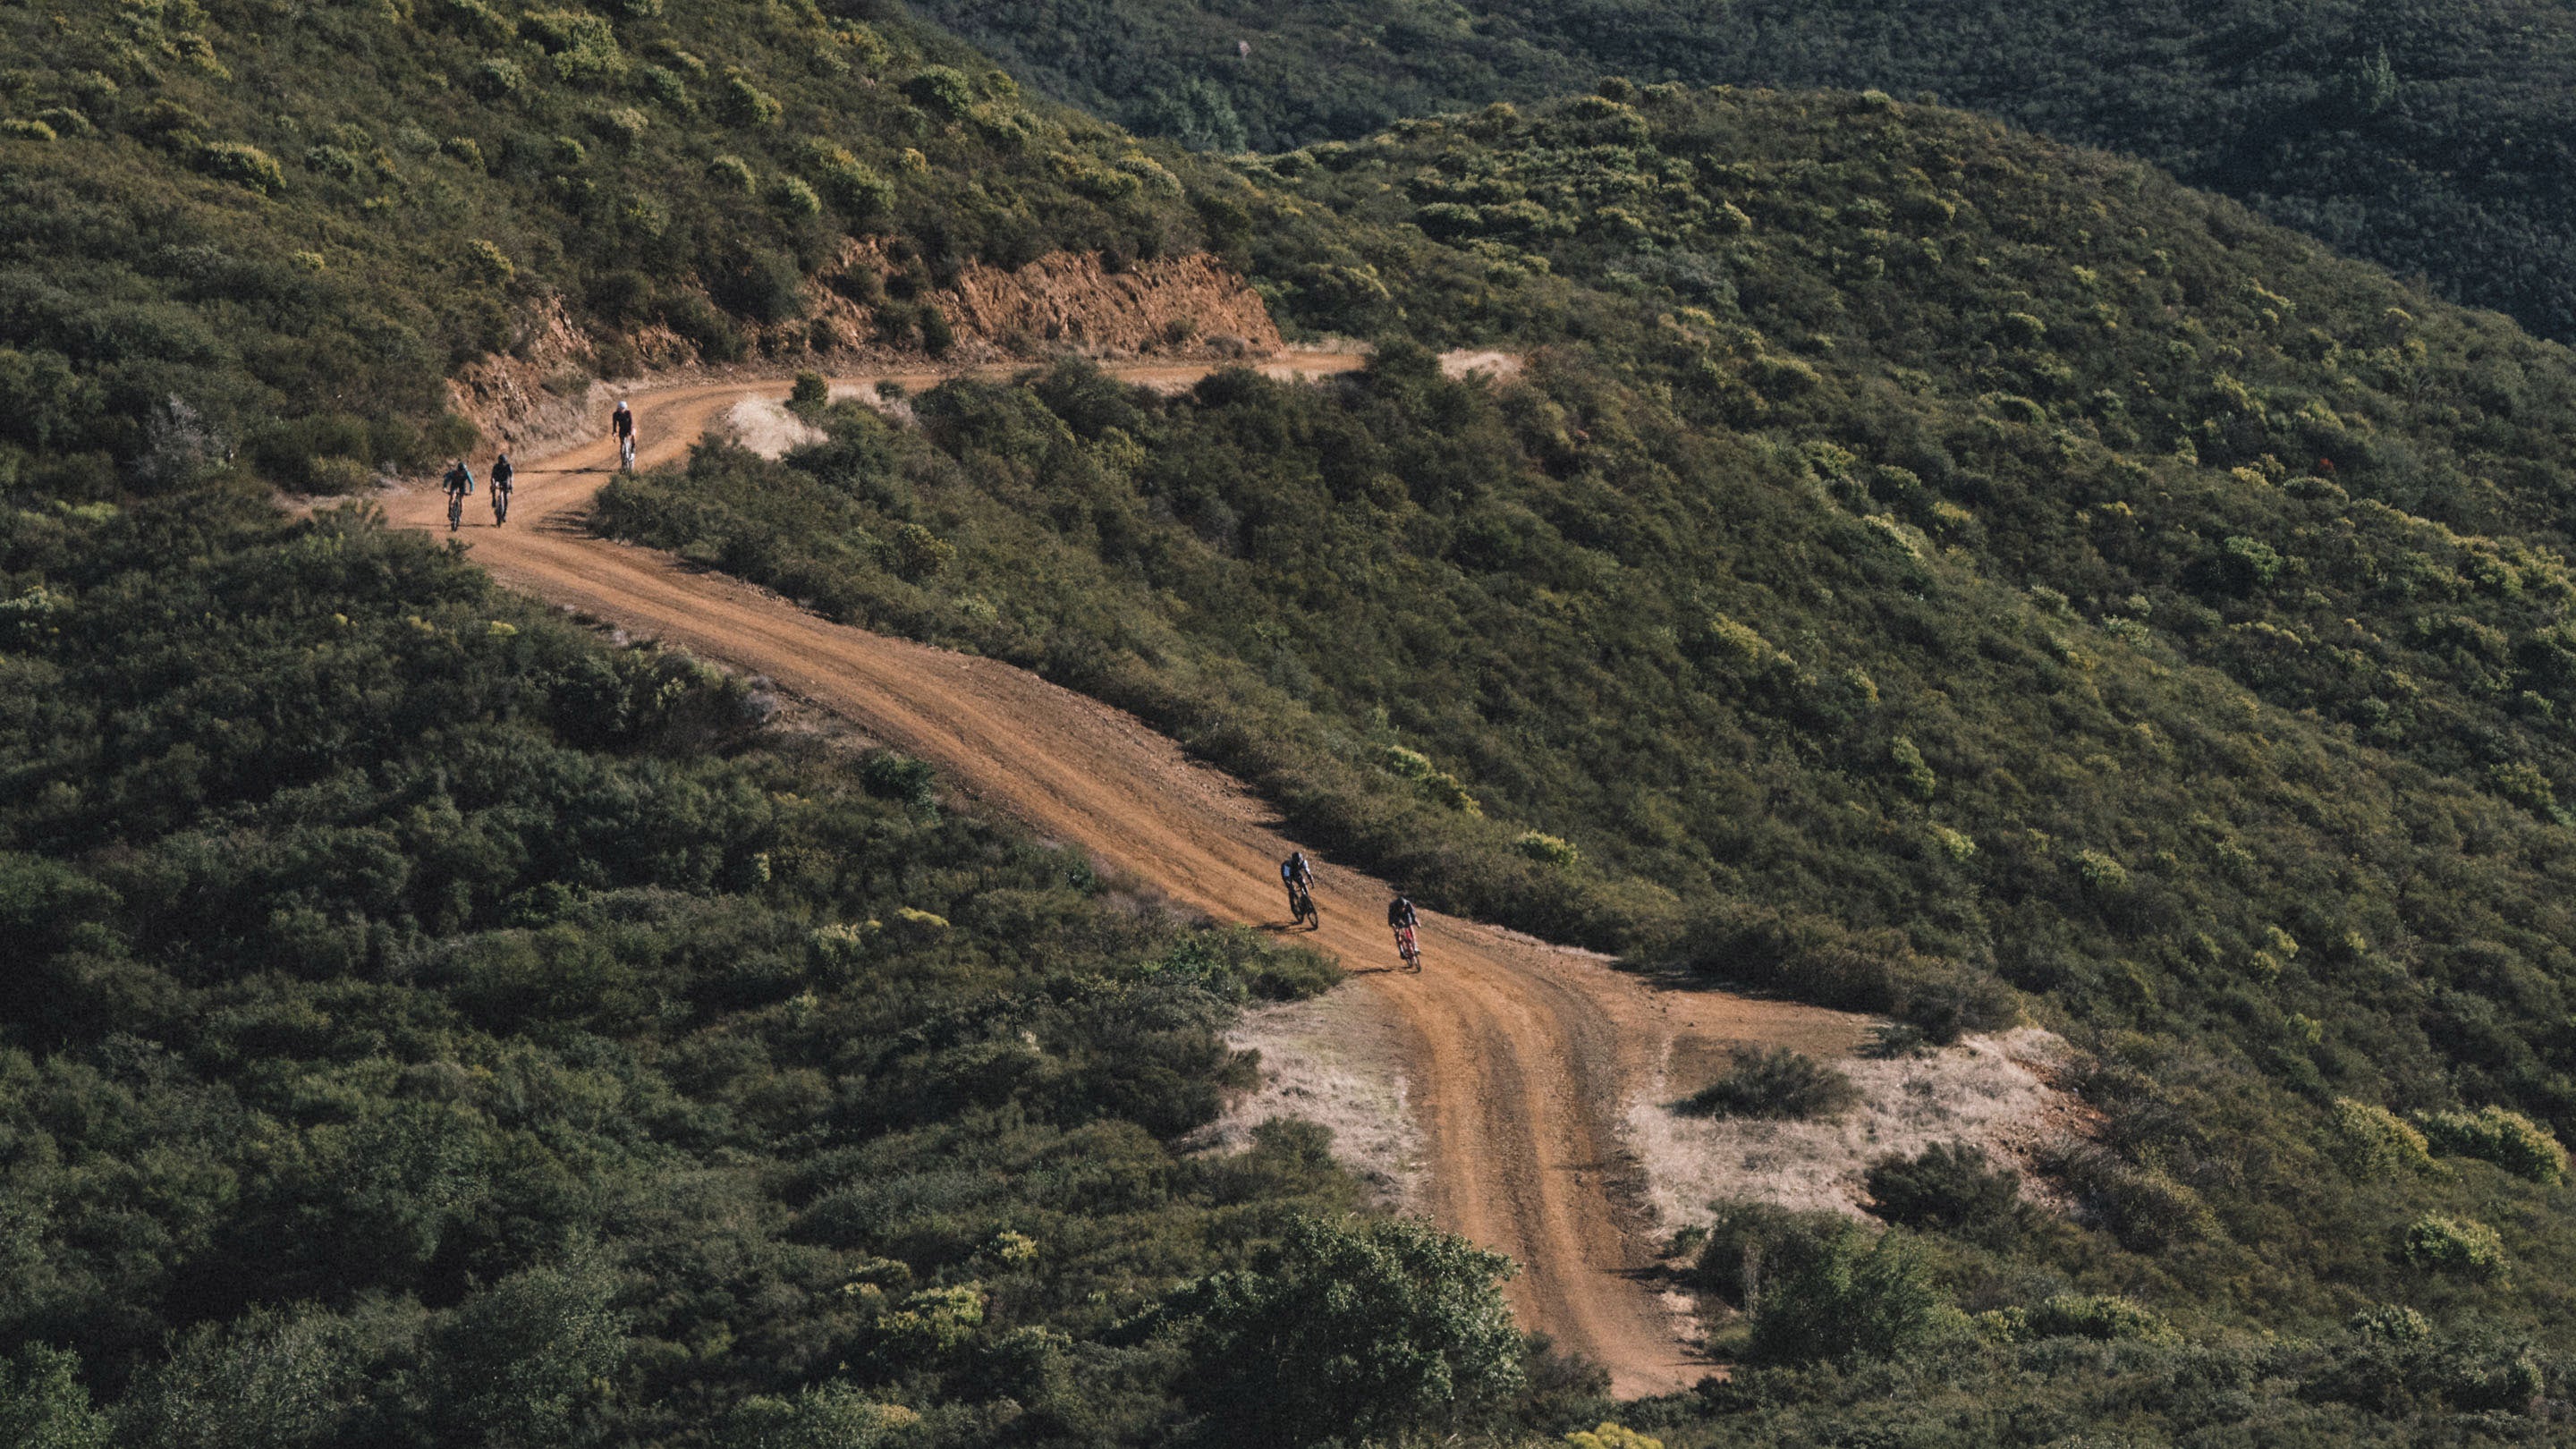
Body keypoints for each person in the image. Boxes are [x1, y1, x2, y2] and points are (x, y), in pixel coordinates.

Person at [1280, 850, 1316, 924]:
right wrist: (1290, 886)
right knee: (1292, 889)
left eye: (1299, 862)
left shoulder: (1304, 863)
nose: (1298, 863)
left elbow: (1308, 873)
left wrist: (1312, 882)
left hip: (1296, 873)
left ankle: (1305, 901)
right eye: (1296, 862)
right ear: (1293, 861)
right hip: (1288, 874)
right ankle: (1294, 905)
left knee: (1303, 885)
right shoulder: (1287, 865)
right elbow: (1286, 878)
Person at [441, 457, 475, 531]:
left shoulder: (467, 473)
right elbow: (446, 480)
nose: (462, 473)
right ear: (458, 470)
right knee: (453, 497)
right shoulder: (453, 473)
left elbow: (471, 482)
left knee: (461, 500)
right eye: (461, 472)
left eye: (463, 472)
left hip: (462, 485)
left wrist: (471, 491)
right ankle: (450, 511)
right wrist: (444, 488)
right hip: (454, 485)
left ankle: (459, 515)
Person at [1387, 893, 1421, 968]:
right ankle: (1402, 951)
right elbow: (1390, 921)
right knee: (1397, 933)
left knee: (1410, 928)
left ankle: (1415, 946)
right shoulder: (1392, 906)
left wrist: (1417, 922)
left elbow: (1414, 916)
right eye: (1401, 907)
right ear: (1398, 906)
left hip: (1406, 915)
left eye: (1404, 907)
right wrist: (1394, 928)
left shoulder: (1408, 905)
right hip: (1395, 916)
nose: (1403, 908)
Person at [490, 447, 514, 525]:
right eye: (500, 462)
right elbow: (492, 477)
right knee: (493, 486)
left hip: (504, 481)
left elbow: (511, 477)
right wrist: (493, 483)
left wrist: (511, 485)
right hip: (497, 480)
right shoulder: (496, 466)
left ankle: (504, 514)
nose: (502, 464)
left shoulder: (508, 467)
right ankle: (493, 499)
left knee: (506, 497)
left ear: (505, 462)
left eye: (503, 462)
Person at [612, 399, 635, 471]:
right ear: (618, 408)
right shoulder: (615, 414)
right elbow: (614, 424)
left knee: (634, 434)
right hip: (622, 430)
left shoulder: (628, 413)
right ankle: (623, 464)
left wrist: (631, 431)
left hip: (630, 428)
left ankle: (634, 446)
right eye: (620, 409)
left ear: (625, 408)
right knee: (622, 446)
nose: (621, 410)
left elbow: (631, 422)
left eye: (623, 409)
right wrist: (614, 431)